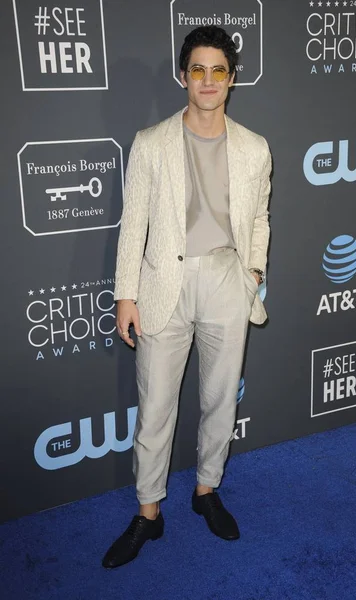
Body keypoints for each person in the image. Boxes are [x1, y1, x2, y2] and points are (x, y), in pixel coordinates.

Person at [102, 25, 272, 568]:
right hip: (163, 285)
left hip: (227, 278)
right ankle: (148, 514)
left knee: (221, 399)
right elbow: (134, 226)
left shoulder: (255, 148)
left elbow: (260, 218)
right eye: (197, 69)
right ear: (183, 77)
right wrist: (125, 294)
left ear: (232, 78)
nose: (207, 80)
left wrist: (253, 272)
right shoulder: (151, 142)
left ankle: (206, 492)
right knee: (155, 406)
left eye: (217, 69)